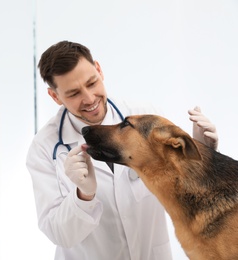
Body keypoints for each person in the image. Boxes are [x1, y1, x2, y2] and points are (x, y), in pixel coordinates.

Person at [26, 40, 218, 260]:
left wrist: (203, 154)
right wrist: (83, 195)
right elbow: (59, 234)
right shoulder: (44, 148)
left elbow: (186, 190)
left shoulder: (146, 116)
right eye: (73, 93)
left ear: (99, 70)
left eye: (91, 83)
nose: (89, 99)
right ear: (55, 96)